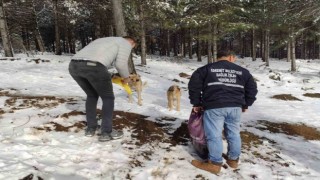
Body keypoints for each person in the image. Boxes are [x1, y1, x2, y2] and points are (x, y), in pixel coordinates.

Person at [188, 50, 258, 174]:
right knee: (234, 133)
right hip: (235, 107)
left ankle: (214, 164)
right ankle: (233, 160)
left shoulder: (205, 69)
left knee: (214, 136)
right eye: (234, 58)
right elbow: (252, 89)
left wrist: (196, 103)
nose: (235, 60)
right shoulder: (243, 71)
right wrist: (246, 103)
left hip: (214, 106)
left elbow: (194, 85)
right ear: (230, 57)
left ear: (218, 57)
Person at [68, 36, 136, 142]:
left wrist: (110, 75)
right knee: (108, 98)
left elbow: (97, 59)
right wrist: (126, 78)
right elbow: (120, 64)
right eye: (132, 47)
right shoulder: (125, 43)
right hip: (94, 66)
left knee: (92, 95)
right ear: (131, 43)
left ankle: (91, 128)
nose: (131, 48)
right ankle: (106, 132)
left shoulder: (104, 40)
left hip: (74, 66)